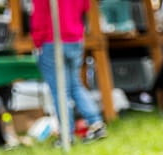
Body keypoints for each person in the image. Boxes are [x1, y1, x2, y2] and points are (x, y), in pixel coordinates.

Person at [31, 0, 107, 141]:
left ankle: (66, 134)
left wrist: (37, 41)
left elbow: (40, 15)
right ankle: (96, 123)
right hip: (75, 37)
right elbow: (85, 6)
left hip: (52, 39)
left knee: (60, 90)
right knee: (75, 85)